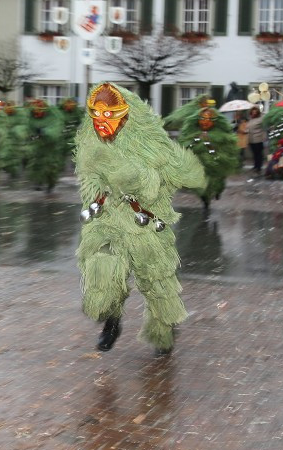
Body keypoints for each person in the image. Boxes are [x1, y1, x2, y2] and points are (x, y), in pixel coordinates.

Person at [76, 82, 206, 353]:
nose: (101, 121)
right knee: (102, 270)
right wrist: (98, 191)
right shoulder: (90, 140)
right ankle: (111, 320)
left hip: (144, 220)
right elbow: (88, 179)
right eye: (95, 113)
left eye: (109, 115)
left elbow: (156, 183)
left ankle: (163, 330)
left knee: (156, 280)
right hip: (108, 218)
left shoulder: (149, 141)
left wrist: (130, 176)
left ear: (125, 114)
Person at [176, 101, 239, 210]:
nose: (205, 122)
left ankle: (217, 190)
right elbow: (186, 146)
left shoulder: (222, 136)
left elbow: (224, 154)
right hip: (200, 163)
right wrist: (197, 139)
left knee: (216, 180)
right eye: (202, 119)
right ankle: (205, 197)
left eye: (209, 119)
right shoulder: (192, 133)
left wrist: (209, 143)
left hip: (215, 164)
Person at [247, 106, 266, 174]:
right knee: (254, 153)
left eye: (255, 111)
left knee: (259, 154)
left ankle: (259, 167)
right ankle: (255, 165)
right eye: (253, 111)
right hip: (251, 139)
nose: (254, 113)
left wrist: (264, 137)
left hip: (258, 138)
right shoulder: (250, 119)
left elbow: (264, 127)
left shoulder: (261, 119)